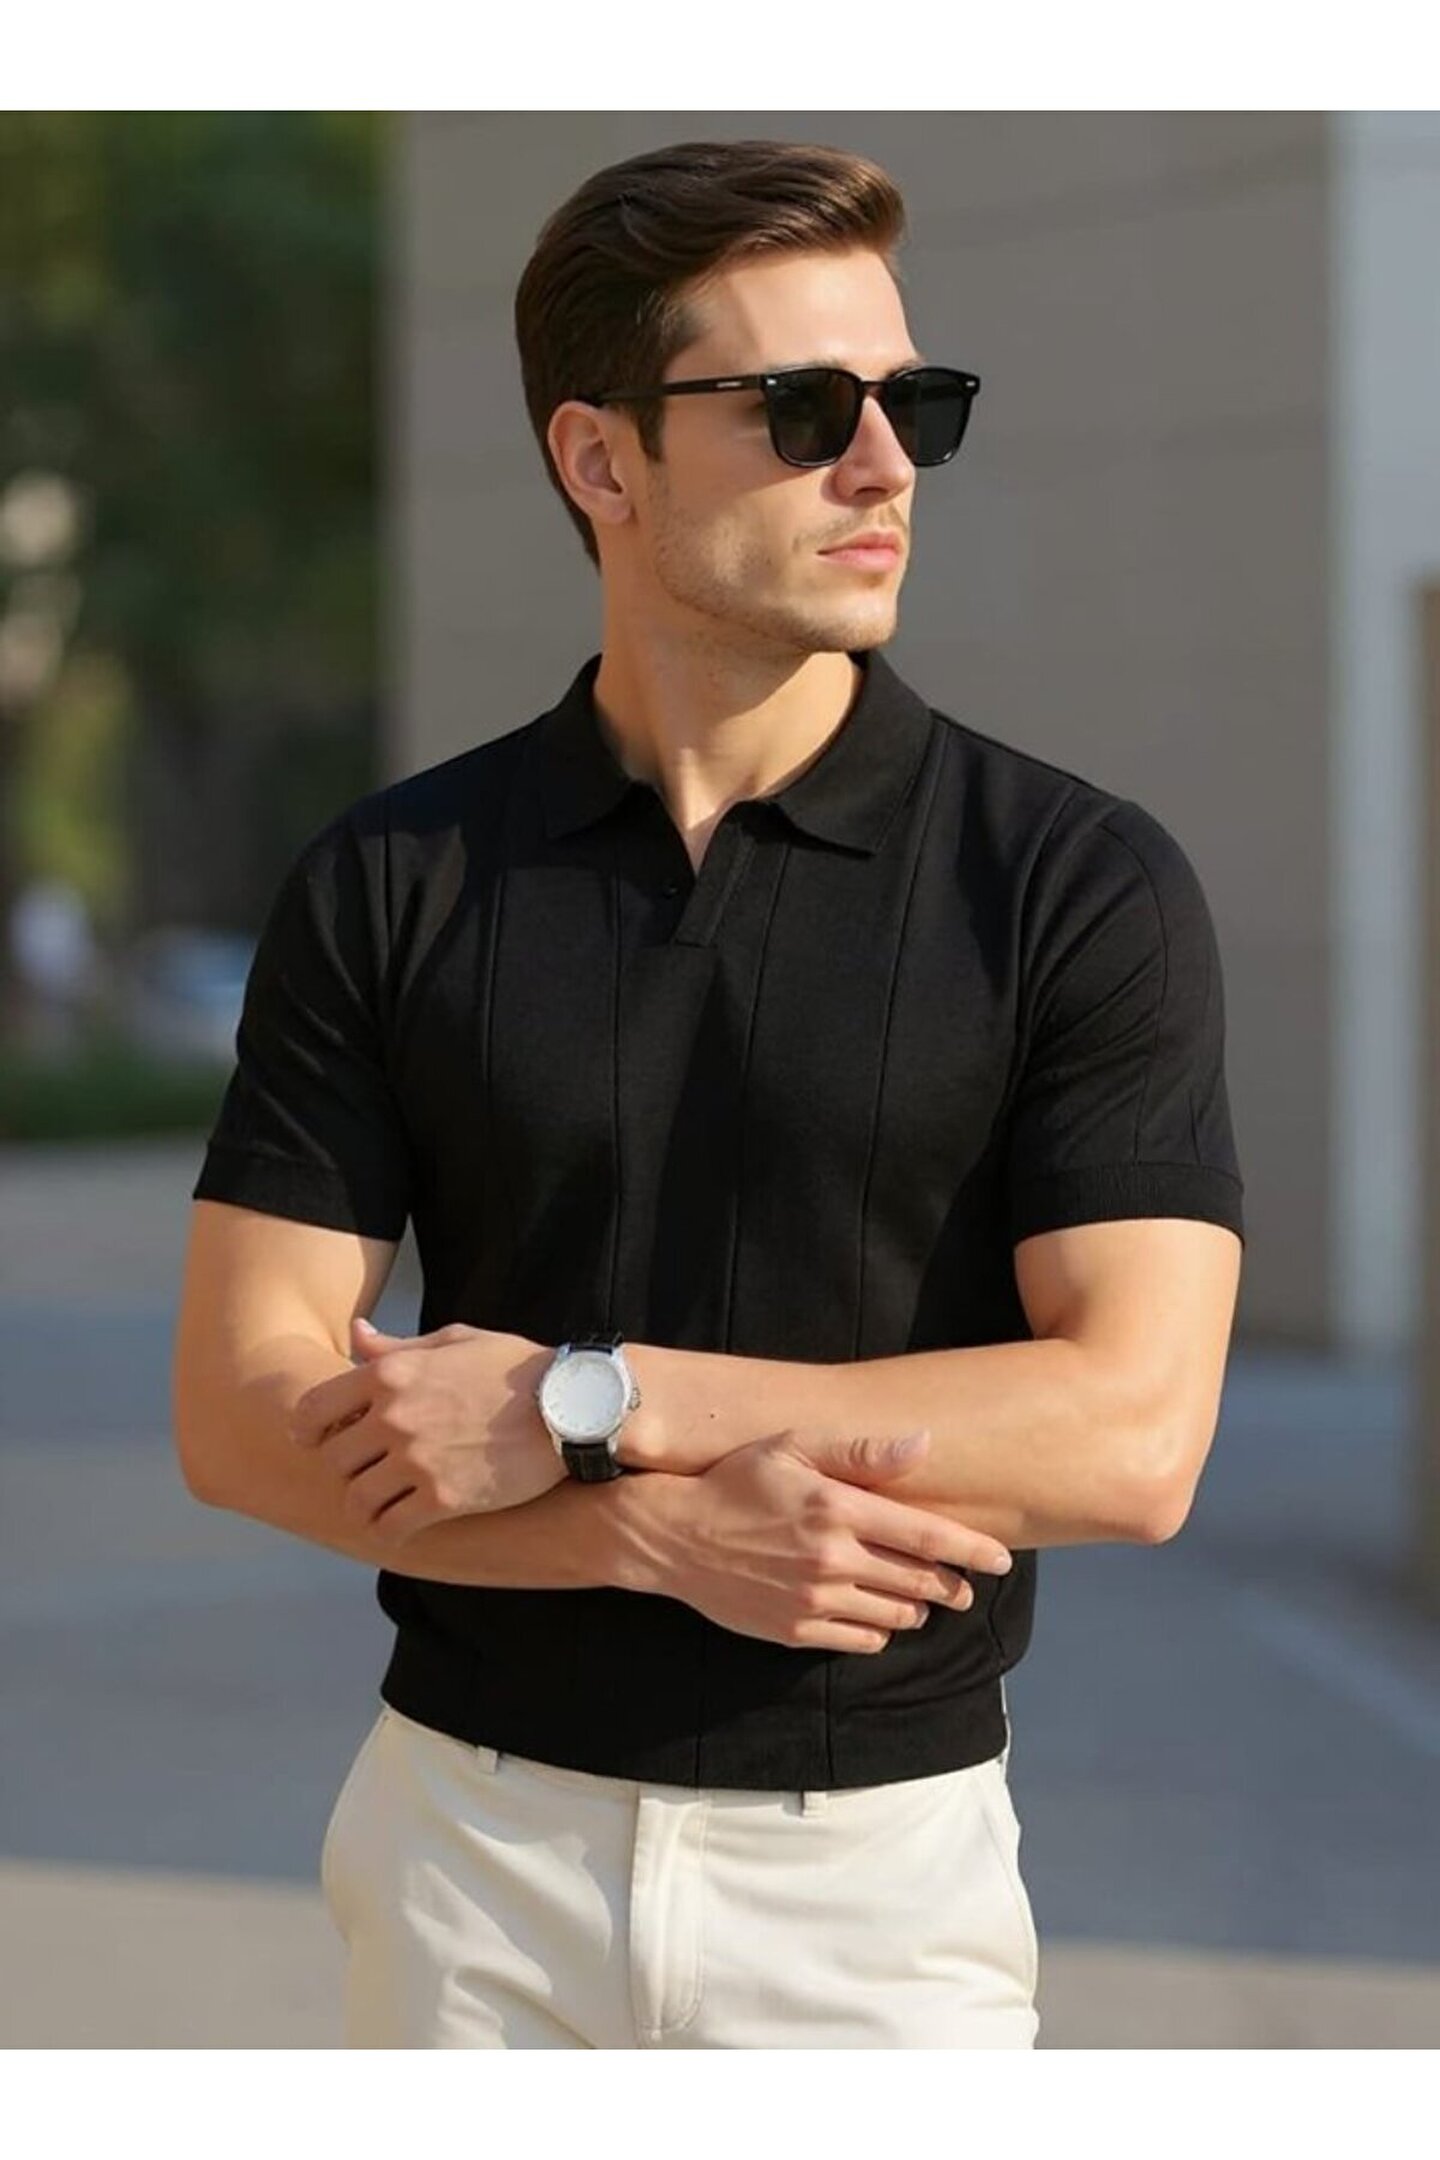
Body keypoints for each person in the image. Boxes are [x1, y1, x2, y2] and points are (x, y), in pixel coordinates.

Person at [173, 137, 1245, 2050]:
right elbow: (239, 1417)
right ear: (603, 461)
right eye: (806, 408)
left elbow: (1133, 1436)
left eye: (917, 402)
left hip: (871, 1891)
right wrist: (640, 1529)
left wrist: (584, 1402)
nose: (886, 464)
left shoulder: (1074, 884)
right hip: (467, 1861)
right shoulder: (395, 880)